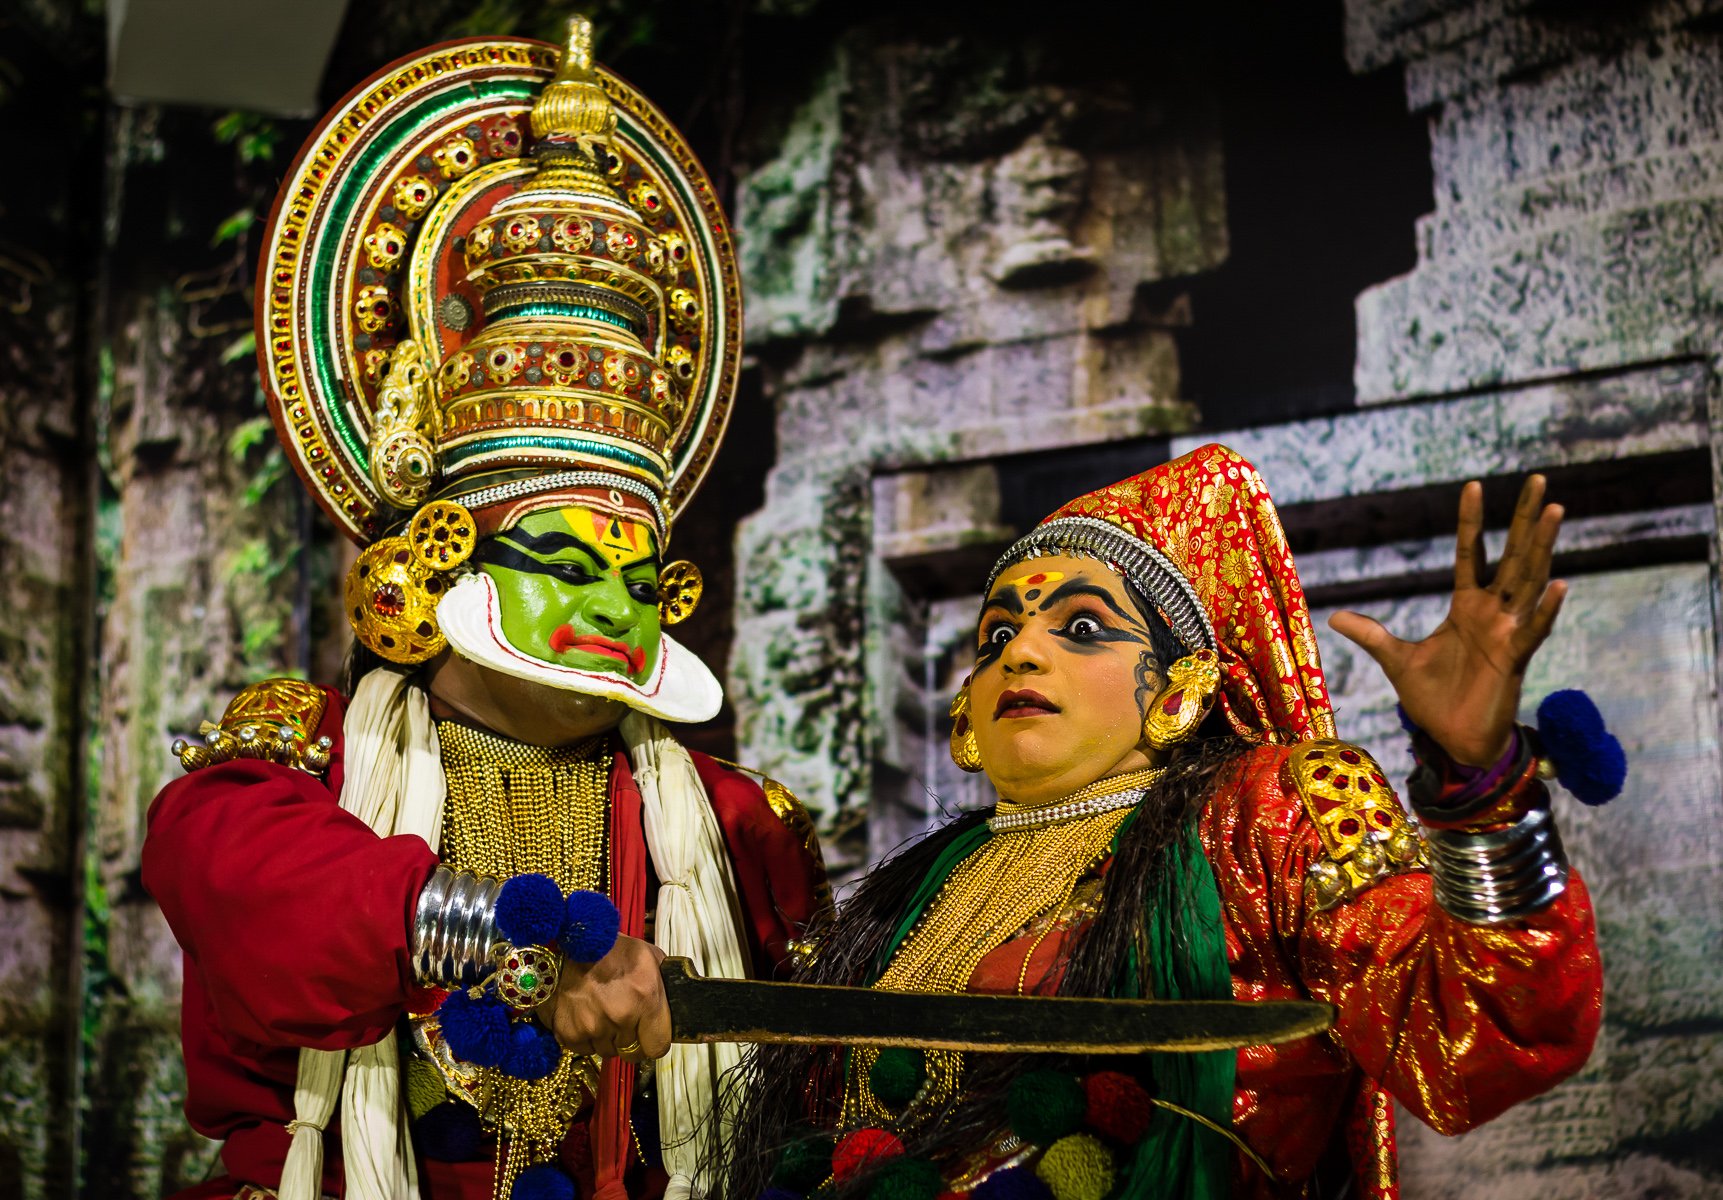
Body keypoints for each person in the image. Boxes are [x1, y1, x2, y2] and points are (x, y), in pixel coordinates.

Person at [143, 21, 828, 1200]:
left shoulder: (726, 824)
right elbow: (242, 889)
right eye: (565, 562)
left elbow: (811, 1086)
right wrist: (522, 943)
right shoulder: (295, 761)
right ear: (449, 556)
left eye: (638, 578)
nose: (616, 612)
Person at [721, 443, 1603, 1200]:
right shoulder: (918, 884)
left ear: (1181, 688)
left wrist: (1481, 789)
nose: (1019, 652)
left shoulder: (1269, 806)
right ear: (964, 713)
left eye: (1079, 626)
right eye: (995, 637)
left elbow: (1472, 1040)